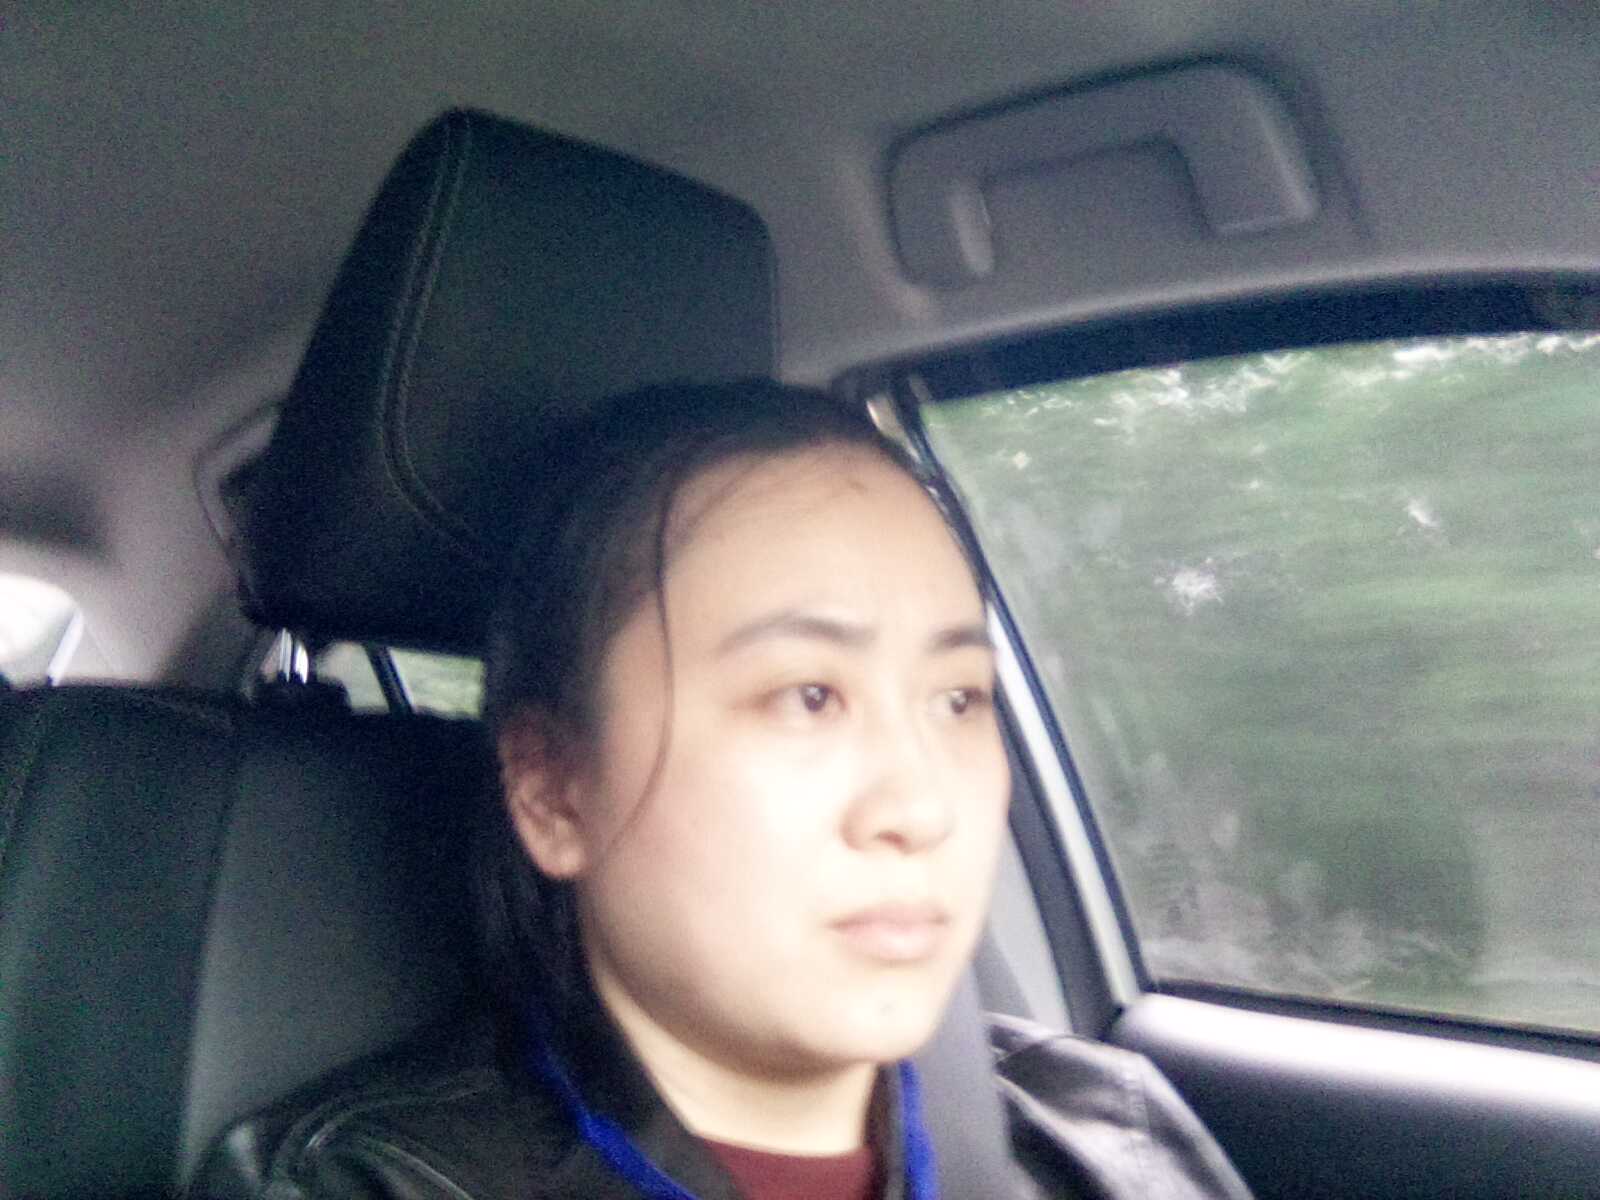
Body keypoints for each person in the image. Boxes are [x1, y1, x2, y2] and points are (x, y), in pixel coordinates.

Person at [194, 380, 1252, 1200]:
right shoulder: (369, 1186)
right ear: (554, 790)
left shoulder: (1103, 1137)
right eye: (806, 696)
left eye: (958, 699)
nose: (921, 809)